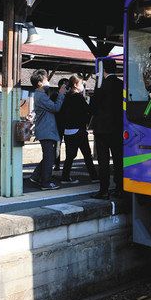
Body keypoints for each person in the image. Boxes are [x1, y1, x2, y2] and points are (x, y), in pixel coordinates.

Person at [90, 58, 123, 199]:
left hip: (102, 128)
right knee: (118, 159)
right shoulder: (122, 84)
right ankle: (120, 188)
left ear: (103, 70)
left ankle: (104, 190)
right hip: (118, 127)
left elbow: (93, 107)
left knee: (103, 161)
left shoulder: (100, 86)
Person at [29, 69, 65, 191]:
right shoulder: (41, 96)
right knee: (50, 157)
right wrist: (61, 94)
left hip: (45, 130)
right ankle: (46, 182)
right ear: (39, 83)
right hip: (46, 130)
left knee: (48, 156)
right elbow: (56, 108)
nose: (48, 81)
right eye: (46, 79)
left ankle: (35, 176)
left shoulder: (40, 95)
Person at [59, 75, 97, 184]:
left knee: (70, 156)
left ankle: (65, 177)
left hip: (67, 131)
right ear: (76, 85)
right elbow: (89, 110)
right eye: (81, 84)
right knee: (87, 154)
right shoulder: (78, 97)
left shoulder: (66, 97)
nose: (83, 86)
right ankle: (94, 177)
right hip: (79, 130)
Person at [51, 77, 69, 171]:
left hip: (61, 123)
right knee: (58, 145)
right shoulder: (56, 95)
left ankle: (59, 165)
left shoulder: (55, 95)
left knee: (59, 145)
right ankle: (57, 164)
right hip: (59, 123)